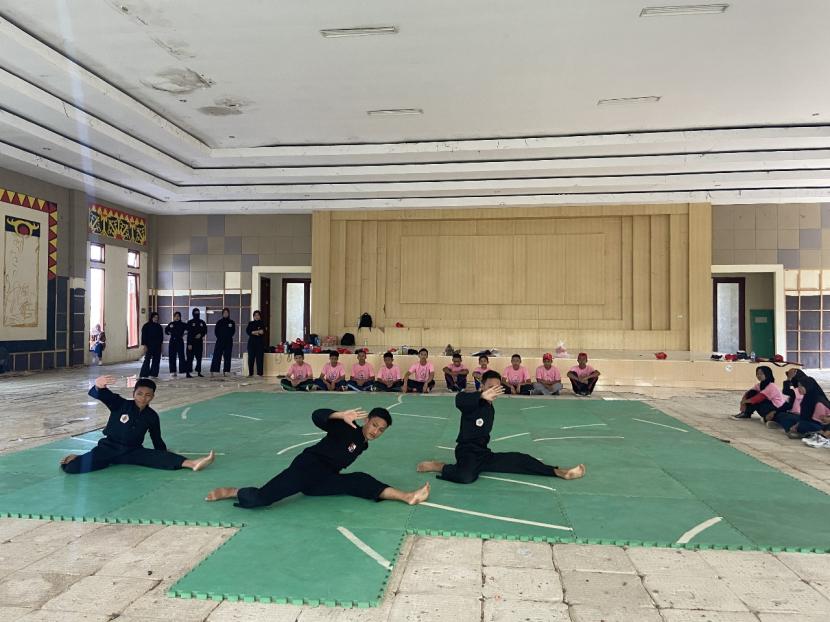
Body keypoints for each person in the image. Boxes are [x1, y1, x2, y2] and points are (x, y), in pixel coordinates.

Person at [205, 408, 430, 508]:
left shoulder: (362, 443)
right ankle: (233, 491)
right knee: (262, 499)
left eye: (381, 430)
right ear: (367, 420)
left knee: (359, 480)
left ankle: (406, 496)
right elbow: (317, 416)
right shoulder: (347, 428)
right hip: (307, 469)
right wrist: (339, 415)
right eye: (374, 425)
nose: (375, 431)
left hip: (322, 480)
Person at [417, 370, 585, 484]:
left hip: (483, 453)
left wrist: (486, 396)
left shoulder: (490, 408)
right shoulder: (473, 402)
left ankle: (559, 472)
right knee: (466, 477)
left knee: (519, 459)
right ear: (482, 386)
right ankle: (439, 466)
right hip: (466, 451)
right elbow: (459, 399)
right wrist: (481, 395)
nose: (494, 391)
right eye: (490, 387)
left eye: (497, 388)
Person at [60, 375, 215, 474]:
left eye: (148, 395)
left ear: (153, 397)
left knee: (156, 457)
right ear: (134, 393)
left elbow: (157, 439)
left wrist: (162, 454)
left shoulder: (152, 416)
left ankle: (192, 463)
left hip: (132, 451)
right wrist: (98, 385)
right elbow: (103, 394)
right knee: (73, 468)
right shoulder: (120, 404)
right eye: (140, 394)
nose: (143, 398)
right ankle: (79, 458)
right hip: (108, 448)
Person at [211, 308, 235, 377]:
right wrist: (220, 337)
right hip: (220, 341)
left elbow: (233, 331)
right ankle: (215, 371)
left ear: (229, 313)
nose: (226, 314)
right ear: (222, 314)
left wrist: (227, 337)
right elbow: (216, 331)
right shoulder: (219, 322)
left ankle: (226, 371)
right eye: (224, 313)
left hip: (228, 342)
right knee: (217, 355)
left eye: (227, 313)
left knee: (227, 356)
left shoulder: (231, 322)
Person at [139, 312, 164, 379]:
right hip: (149, 346)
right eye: (155, 317)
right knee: (147, 359)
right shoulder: (146, 326)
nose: (156, 319)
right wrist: (145, 345)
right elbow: (143, 336)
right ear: (151, 317)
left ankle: (154, 373)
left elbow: (161, 337)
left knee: (156, 360)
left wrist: (161, 346)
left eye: (157, 318)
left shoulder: (159, 327)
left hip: (157, 346)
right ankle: (144, 374)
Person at [185, 308, 207, 378]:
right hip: (191, 343)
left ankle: (199, 372)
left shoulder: (202, 322)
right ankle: (188, 373)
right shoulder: (190, 322)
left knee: (199, 358)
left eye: (198, 312)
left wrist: (201, 334)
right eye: (195, 312)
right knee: (189, 359)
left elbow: (205, 331)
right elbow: (189, 334)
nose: (197, 314)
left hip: (199, 343)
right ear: (193, 313)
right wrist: (189, 344)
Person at [165, 312, 187, 378]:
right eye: (176, 316)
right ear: (174, 317)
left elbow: (189, 329)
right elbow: (166, 330)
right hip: (172, 341)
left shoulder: (183, 324)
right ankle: (173, 371)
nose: (177, 317)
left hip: (180, 341)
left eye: (178, 316)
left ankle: (182, 370)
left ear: (180, 317)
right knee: (172, 356)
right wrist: (169, 332)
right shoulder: (171, 324)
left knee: (181, 356)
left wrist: (185, 333)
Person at [246, 311, 266, 377]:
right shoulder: (250, 323)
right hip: (251, 343)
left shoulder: (262, 323)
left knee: (259, 358)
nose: (256, 316)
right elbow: (248, 331)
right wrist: (257, 332)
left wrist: (254, 332)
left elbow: (263, 332)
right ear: (253, 316)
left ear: (260, 316)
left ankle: (260, 373)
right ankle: (250, 373)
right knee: (251, 358)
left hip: (260, 343)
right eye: (255, 315)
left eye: (258, 315)